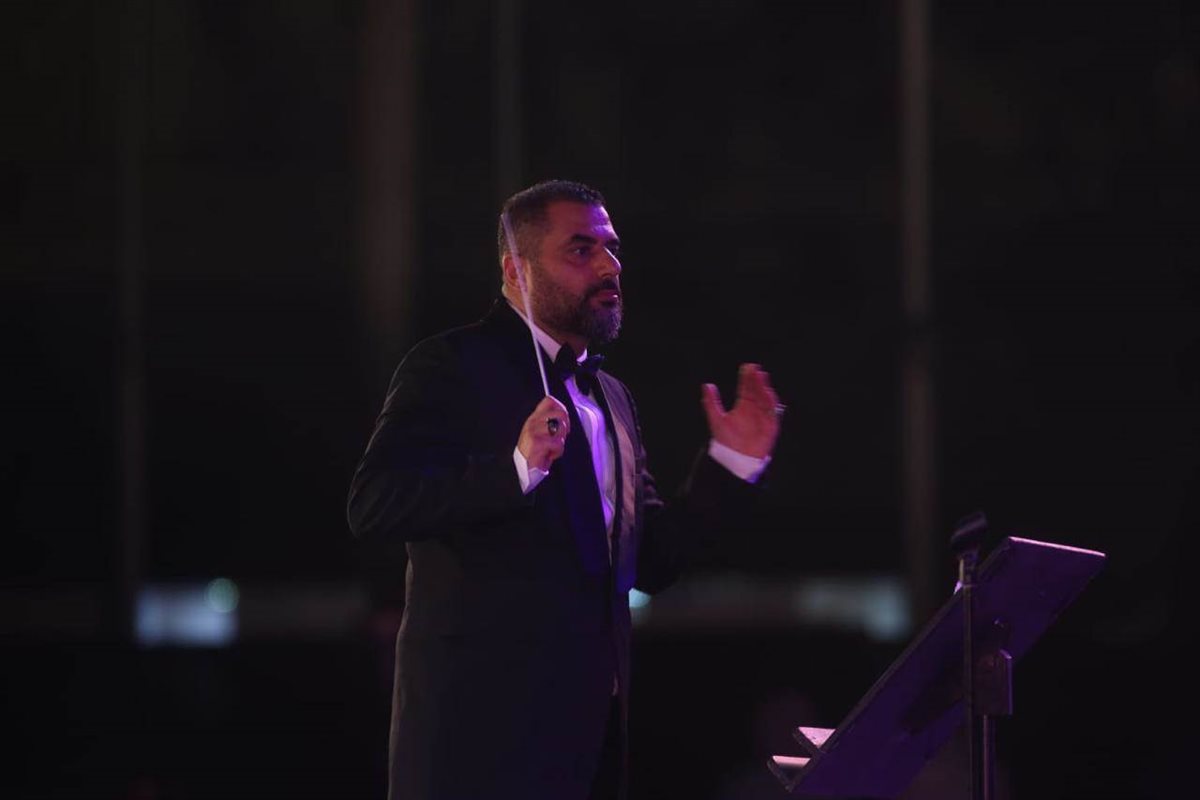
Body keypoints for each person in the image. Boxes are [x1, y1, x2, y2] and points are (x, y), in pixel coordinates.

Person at [347, 179, 782, 800]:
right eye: (581, 249)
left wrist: (731, 464)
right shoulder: (450, 365)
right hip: (476, 749)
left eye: (611, 248)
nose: (609, 266)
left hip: (591, 748)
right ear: (516, 271)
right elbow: (373, 504)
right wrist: (516, 470)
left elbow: (650, 562)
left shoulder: (613, 398)